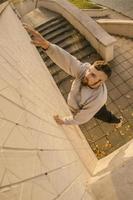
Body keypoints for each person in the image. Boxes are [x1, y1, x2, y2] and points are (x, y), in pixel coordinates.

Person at [24, 24, 123, 128]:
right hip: (80, 104)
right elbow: (68, 60)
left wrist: (63, 121)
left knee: (105, 116)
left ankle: (118, 121)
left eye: (93, 75)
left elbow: (81, 118)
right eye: (90, 70)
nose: (87, 75)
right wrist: (47, 46)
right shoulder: (84, 71)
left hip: (96, 107)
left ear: (101, 82)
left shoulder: (97, 99)